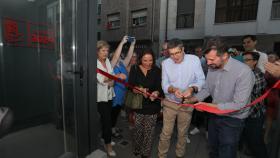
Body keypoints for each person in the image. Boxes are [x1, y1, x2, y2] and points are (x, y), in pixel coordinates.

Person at [186, 38, 255, 158]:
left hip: (233, 120)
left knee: (227, 152)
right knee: (213, 148)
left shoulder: (244, 72)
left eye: (211, 59)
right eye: (207, 59)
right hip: (214, 116)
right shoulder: (212, 67)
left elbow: (239, 105)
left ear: (224, 55)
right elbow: (207, 89)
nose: (208, 63)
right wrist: (193, 99)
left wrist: (208, 106)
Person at [158, 38, 205, 158]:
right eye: (171, 54)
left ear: (183, 49)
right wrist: (173, 90)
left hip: (187, 103)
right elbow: (164, 85)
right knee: (166, 133)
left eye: (177, 53)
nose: (174, 57)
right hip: (170, 102)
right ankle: (161, 155)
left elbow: (201, 80)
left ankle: (179, 155)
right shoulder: (165, 63)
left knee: (182, 133)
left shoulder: (194, 60)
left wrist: (191, 89)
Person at [128, 49, 163, 158]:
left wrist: (156, 92)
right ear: (140, 60)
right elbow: (130, 86)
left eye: (150, 60)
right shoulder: (134, 69)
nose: (148, 63)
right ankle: (137, 148)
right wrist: (139, 90)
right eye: (145, 60)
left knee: (149, 131)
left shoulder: (157, 70)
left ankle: (145, 153)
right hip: (138, 104)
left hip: (152, 105)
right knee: (138, 130)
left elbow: (159, 87)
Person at [97, 40, 126, 157]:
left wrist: (112, 79)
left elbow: (110, 80)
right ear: (97, 51)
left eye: (107, 50)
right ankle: (108, 145)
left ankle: (105, 138)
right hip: (100, 98)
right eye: (103, 50)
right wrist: (116, 77)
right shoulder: (95, 63)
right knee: (107, 121)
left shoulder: (107, 61)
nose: (105, 53)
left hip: (109, 95)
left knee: (107, 121)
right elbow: (103, 80)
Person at [241, 51, 268, 158]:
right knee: (248, 139)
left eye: (247, 60)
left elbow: (252, 90)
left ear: (255, 62)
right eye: (243, 60)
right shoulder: (243, 73)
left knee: (256, 142)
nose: (244, 62)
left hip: (255, 114)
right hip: (245, 114)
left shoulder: (258, 73)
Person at [111, 36, 135, 139]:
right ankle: (110, 130)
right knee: (112, 114)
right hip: (115, 95)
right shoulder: (111, 66)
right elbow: (115, 57)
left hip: (121, 94)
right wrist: (122, 42)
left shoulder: (121, 65)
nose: (120, 56)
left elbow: (129, 57)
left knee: (116, 114)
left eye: (121, 55)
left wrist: (132, 44)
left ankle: (113, 127)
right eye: (119, 55)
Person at [264, 53, 280, 144]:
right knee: (269, 116)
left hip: (276, 94)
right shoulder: (268, 67)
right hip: (268, 93)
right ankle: (266, 135)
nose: (269, 57)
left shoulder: (277, 67)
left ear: (276, 58)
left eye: (272, 56)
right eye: (268, 56)